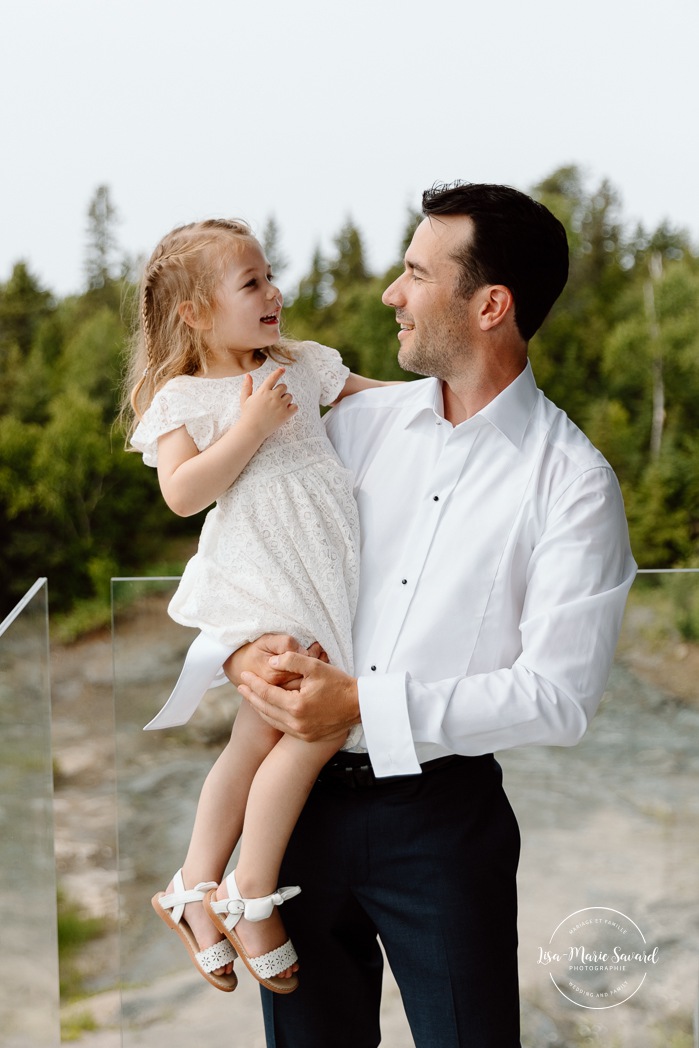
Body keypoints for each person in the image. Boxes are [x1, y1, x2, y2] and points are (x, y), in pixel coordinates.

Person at [227, 183, 637, 1047]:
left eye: (415, 272)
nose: (392, 294)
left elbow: (558, 698)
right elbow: (251, 551)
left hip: (444, 832)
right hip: (294, 814)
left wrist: (362, 708)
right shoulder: (353, 427)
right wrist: (237, 654)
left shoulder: (572, 483)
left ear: (490, 305)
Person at [122, 218, 390, 995]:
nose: (274, 293)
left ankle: (193, 888)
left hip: (320, 576)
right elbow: (182, 494)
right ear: (196, 315)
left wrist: (454, 397)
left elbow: (387, 404)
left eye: (270, 276)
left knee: (255, 739)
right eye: (251, 283)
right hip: (263, 581)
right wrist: (246, 428)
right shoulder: (185, 398)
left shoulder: (303, 365)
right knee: (320, 721)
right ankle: (249, 891)